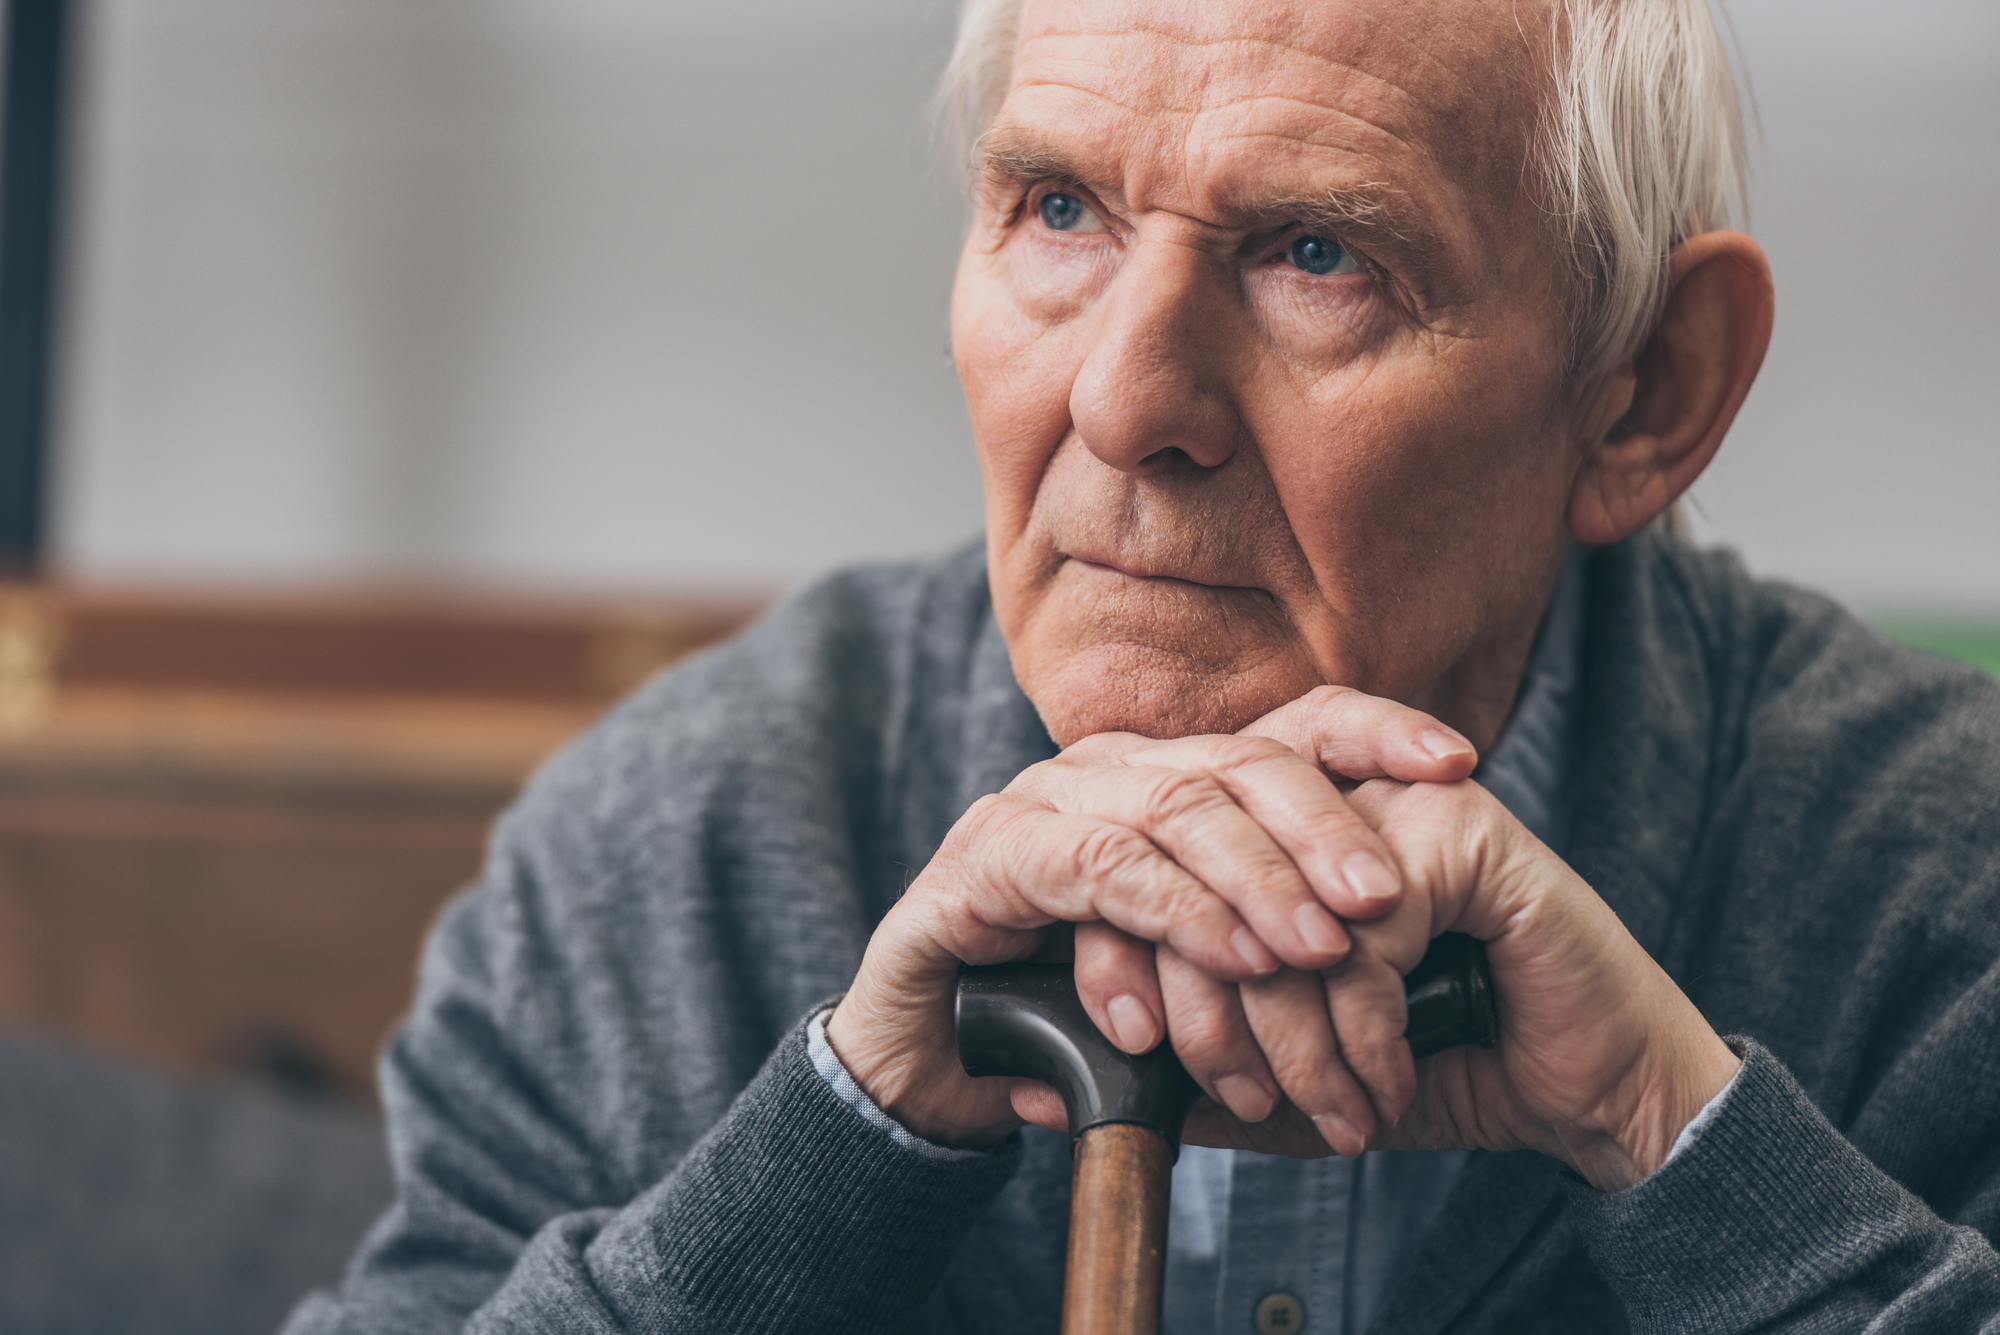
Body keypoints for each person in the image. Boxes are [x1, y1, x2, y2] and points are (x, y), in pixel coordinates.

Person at [282, 0, 2000, 1330]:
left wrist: (1667, 1127)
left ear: (1648, 390)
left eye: (1318, 254)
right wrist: (841, 1140)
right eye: (1056, 210)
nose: (1120, 401)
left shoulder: (1944, 892)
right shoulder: (674, 846)